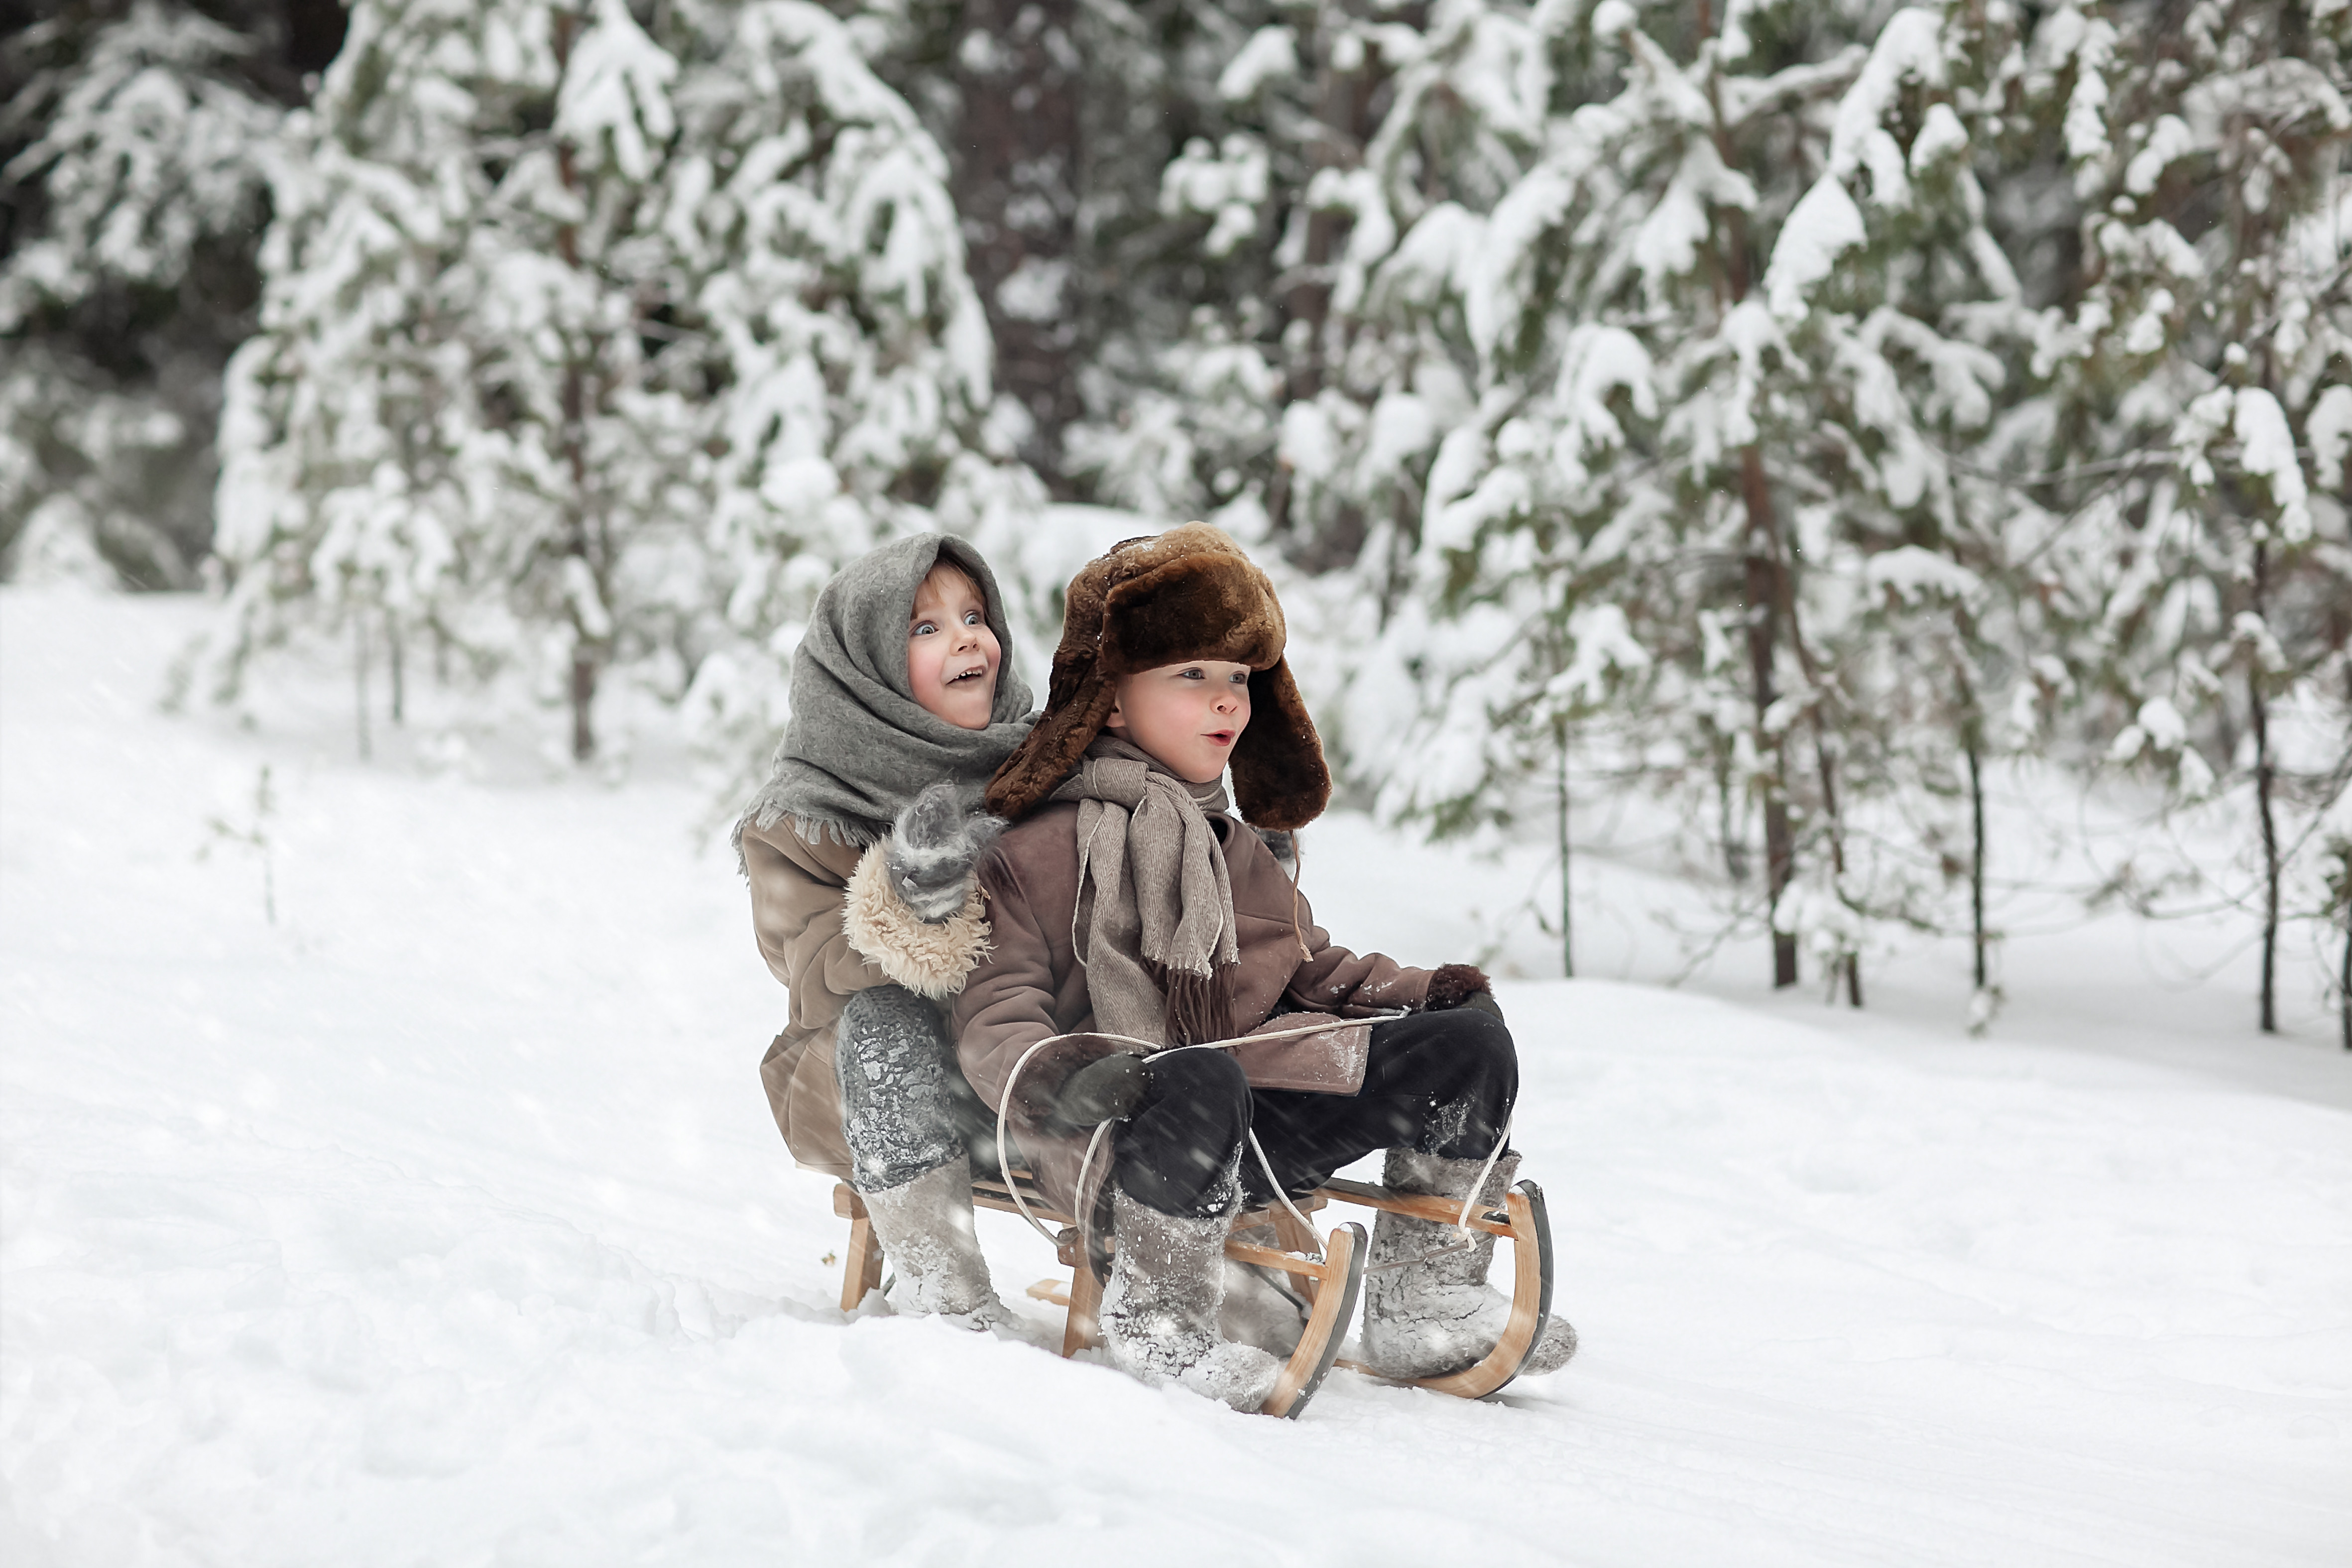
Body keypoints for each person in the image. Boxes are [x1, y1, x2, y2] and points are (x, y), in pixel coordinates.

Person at [952, 522, 1577, 1410]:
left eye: (1239, 680)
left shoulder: (1231, 847)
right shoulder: (1033, 852)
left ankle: (1423, 1297)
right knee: (1195, 1076)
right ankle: (1158, 1315)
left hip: (1247, 1122)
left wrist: (1425, 997)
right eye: (1192, 676)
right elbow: (995, 1016)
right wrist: (1071, 1075)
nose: (1227, 704)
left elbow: (1310, 968)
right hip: (1119, 1139)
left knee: (1467, 1045)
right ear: (1115, 702)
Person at [735, 533, 1031, 1329]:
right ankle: (944, 1284)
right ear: (865, 668)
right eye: (925, 627)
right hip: (863, 1081)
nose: (968, 637)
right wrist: (907, 897)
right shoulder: (807, 812)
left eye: (975, 615)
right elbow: (812, 965)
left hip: (1015, 1061)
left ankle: (1203, 1282)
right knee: (884, 1021)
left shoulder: (1034, 770)